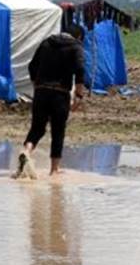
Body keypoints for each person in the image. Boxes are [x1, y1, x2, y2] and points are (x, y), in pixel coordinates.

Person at [16, 25, 87, 178]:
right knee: (58, 131)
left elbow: (32, 66)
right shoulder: (76, 47)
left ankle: (26, 151)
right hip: (60, 94)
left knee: (37, 128)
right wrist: (79, 95)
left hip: (41, 91)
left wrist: (36, 85)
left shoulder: (46, 43)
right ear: (79, 37)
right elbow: (80, 70)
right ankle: (54, 170)